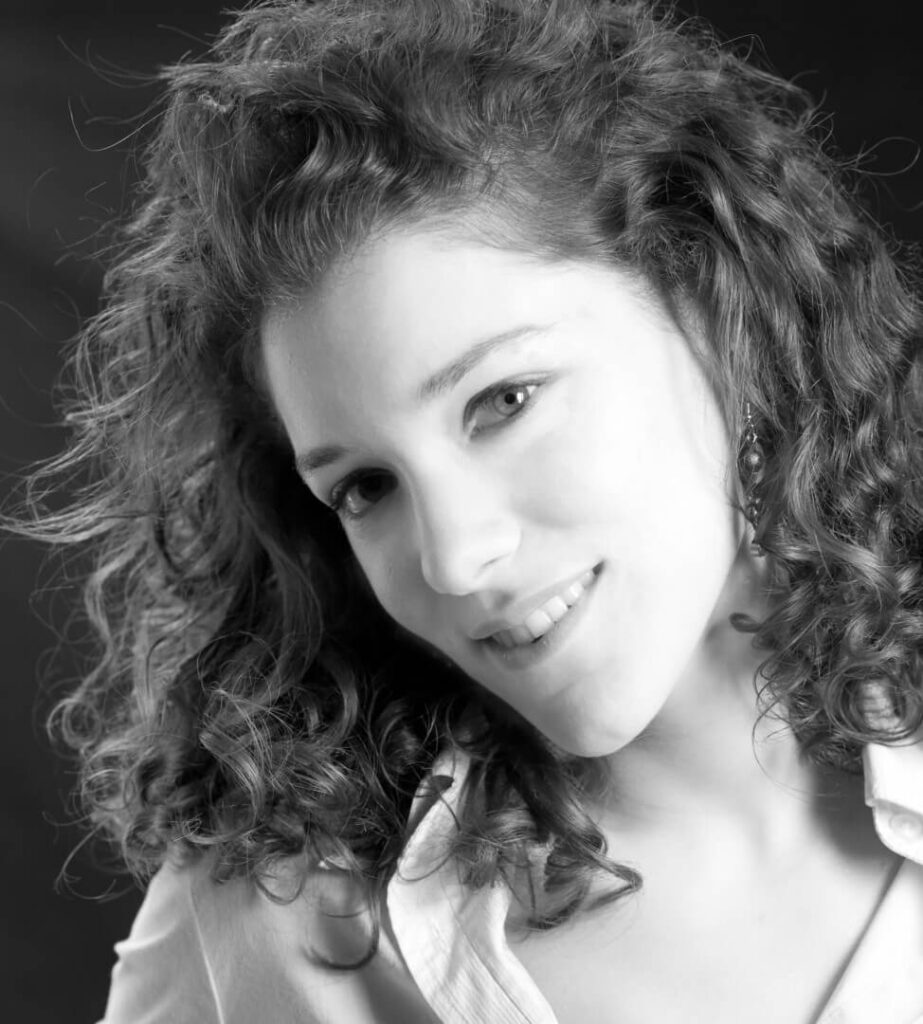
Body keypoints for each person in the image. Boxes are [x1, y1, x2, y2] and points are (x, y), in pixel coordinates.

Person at [13, 0, 923, 1020]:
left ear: (718, 313)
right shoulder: (277, 927)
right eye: (365, 487)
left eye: (504, 401)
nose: (451, 557)